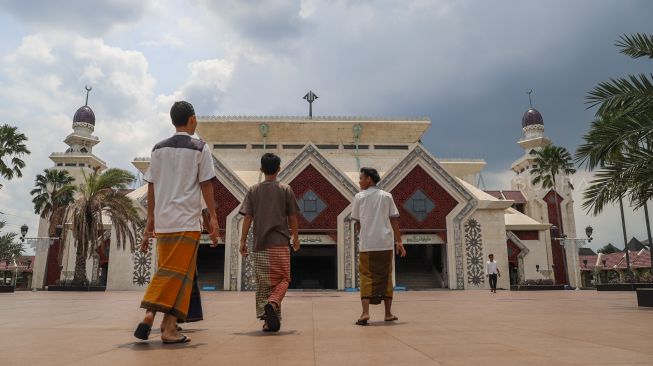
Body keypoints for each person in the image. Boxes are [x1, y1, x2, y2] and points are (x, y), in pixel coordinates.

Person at [133, 101, 219, 344]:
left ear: (173, 121)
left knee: (168, 270)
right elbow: (206, 184)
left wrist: (150, 219)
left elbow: (151, 185)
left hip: (164, 221)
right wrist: (213, 217)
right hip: (187, 221)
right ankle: (161, 323)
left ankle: (159, 320)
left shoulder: (158, 149)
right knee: (180, 276)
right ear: (192, 119)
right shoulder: (200, 147)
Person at [239, 153, 300, 332]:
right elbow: (292, 217)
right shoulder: (285, 189)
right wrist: (295, 237)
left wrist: (243, 241)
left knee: (264, 283)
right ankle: (272, 304)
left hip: (259, 244)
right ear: (279, 169)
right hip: (279, 242)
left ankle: (268, 321)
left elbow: (247, 217)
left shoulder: (253, 190)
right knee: (283, 279)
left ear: (261, 169)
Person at [351, 167, 406, 326]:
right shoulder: (387, 196)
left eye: (361, 178)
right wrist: (399, 242)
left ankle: (365, 313)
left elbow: (357, 222)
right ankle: (388, 313)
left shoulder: (359, 197)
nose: (360, 181)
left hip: (367, 245)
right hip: (385, 244)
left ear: (369, 179)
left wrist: (362, 236)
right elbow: (394, 220)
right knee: (385, 277)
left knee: (366, 277)